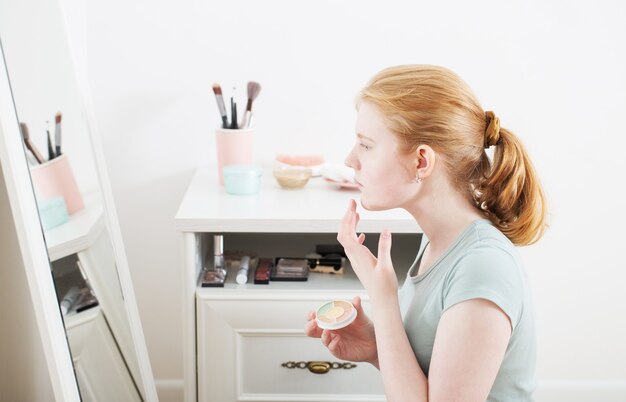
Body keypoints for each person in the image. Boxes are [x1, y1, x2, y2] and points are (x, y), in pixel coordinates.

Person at [304, 65, 547, 401]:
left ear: (421, 162)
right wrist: (376, 347)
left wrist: (384, 298)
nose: (350, 160)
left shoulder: (483, 267)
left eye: (366, 145)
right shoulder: (439, 240)